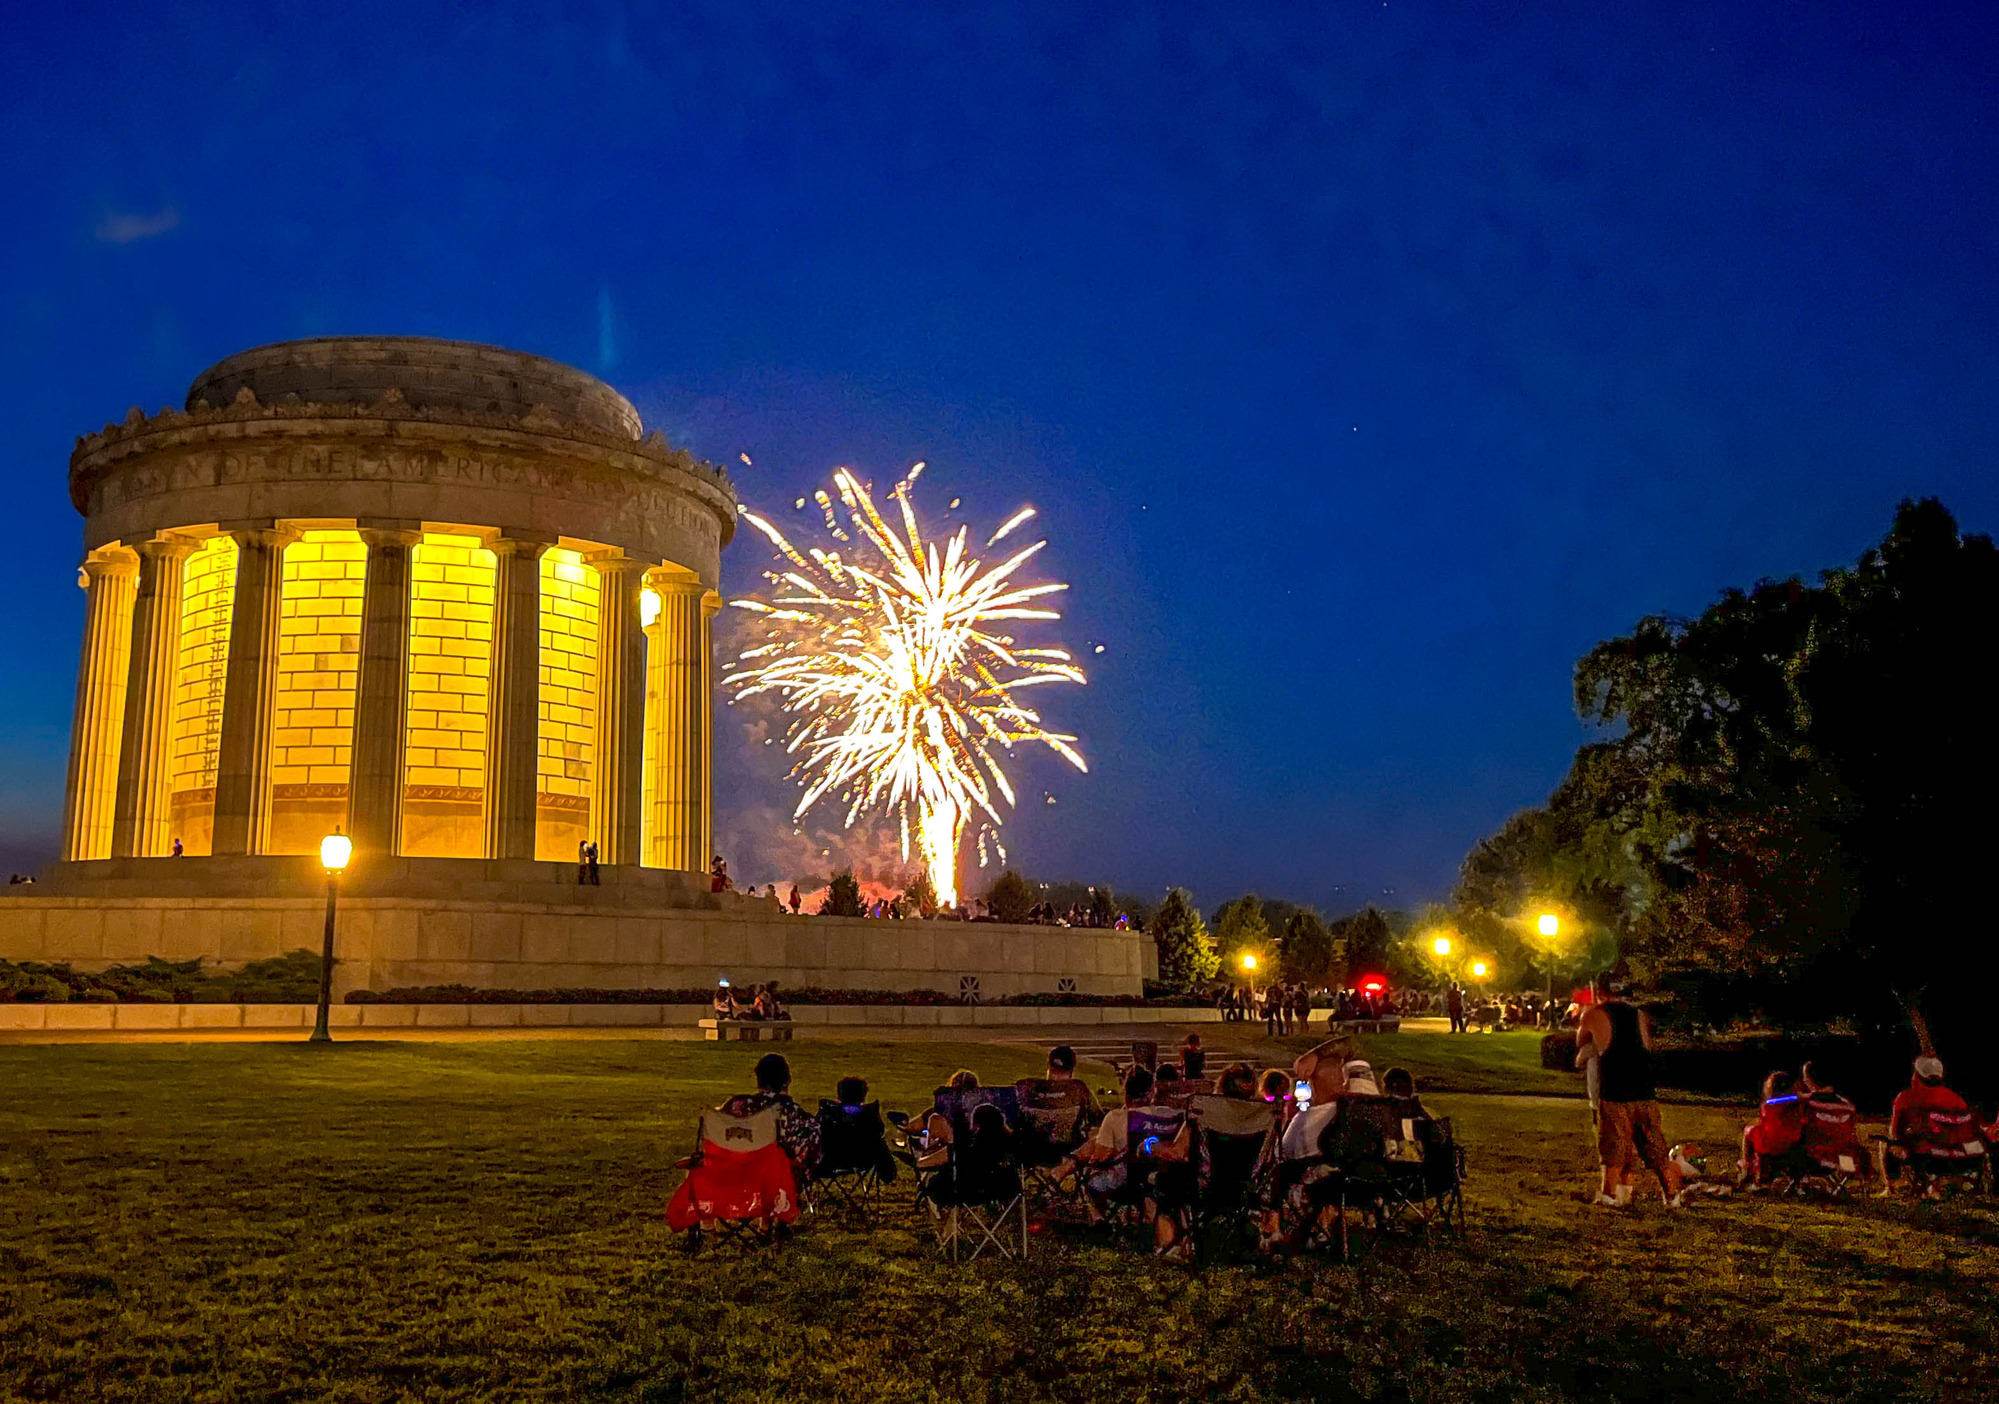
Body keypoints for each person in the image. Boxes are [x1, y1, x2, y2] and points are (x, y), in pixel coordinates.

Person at [1575, 981, 1683, 1207]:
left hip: (1615, 1089)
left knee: (1613, 1145)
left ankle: (1609, 1194)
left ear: (1599, 994)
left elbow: (1581, 1041)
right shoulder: (1638, 1015)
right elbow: (1646, 1046)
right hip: (1643, 1088)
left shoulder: (1595, 1014)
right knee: (1654, 1145)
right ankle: (1672, 1195)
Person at [1878, 1056, 1981, 1196]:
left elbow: (1894, 1130)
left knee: (1886, 1143)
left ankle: (1891, 1186)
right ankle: (1944, 1183)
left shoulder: (1905, 1098)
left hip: (1927, 1157)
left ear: (1917, 1076)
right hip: (1961, 1160)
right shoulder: (1956, 1099)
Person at [724, 1052, 821, 1179]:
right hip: (778, 1183)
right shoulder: (797, 1116)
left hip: (734, 1176)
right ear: (787, 1081)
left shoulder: (735, 1107)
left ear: (758, 1081)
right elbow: (810, 1158)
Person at [1737, 1072, 1806, 1186]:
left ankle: (1747, 1163)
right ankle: (1753, 1166)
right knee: (1754, 1131)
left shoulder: (1770, 1103)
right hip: (1792, 1142)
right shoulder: (1794, 1101)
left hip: (1770, 1143)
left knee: (1750, 1131)